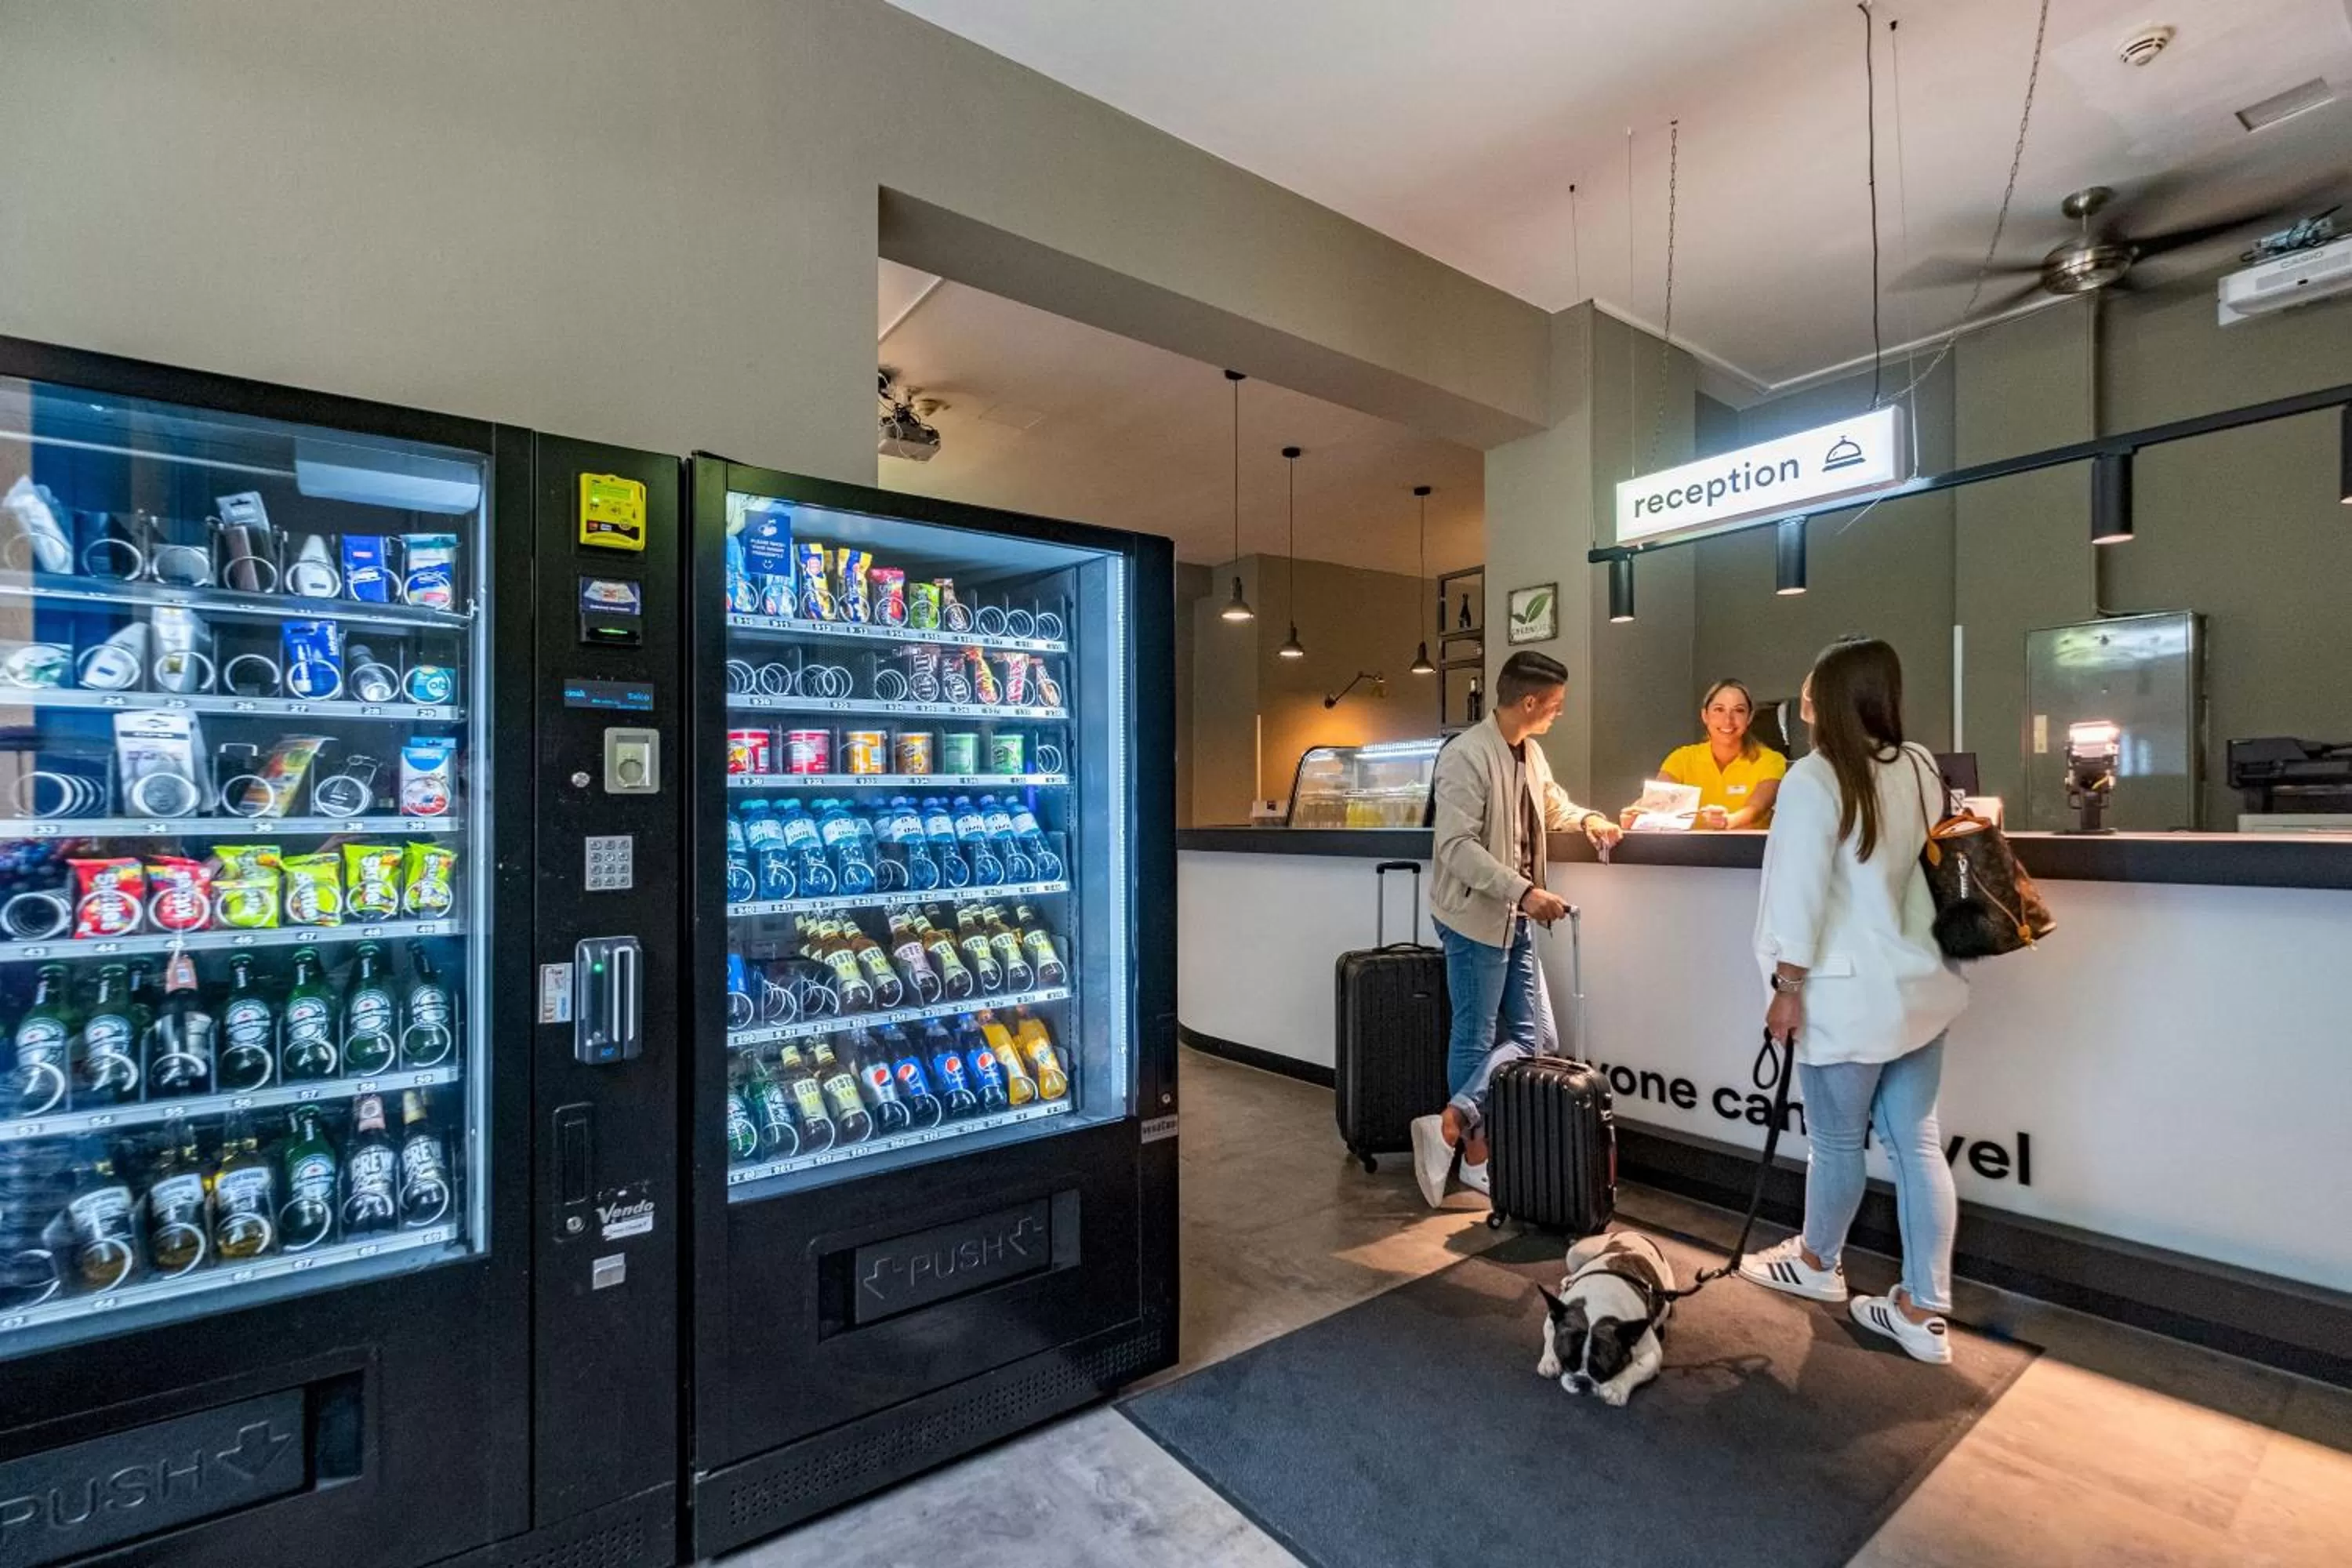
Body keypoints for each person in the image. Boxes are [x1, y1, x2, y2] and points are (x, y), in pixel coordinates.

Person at [1737, 637, 1969, 1364]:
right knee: (1917, 1144)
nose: (1801, 698)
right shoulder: (1922, 766)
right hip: (1920, 987)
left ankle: (1817, 1264)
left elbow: (1799, 897)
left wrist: (1786, 988)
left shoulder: (1814, 778)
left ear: (1828, 699)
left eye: (1810, 687)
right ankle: (1924, 1308)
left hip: (1842, 994)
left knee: (1836, 1142)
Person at [1410, 650, 1621, 1208]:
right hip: (1476, 918)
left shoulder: (1530, 751)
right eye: (1555, 704)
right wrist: (1523, 891)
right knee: (1475, 1034)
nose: (1558, 712)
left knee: (1540, 1039)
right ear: (1529, 701)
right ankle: (1477, 1159)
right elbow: (1455, 848)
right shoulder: (1466, 756)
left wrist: (1588, 819)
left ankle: (1450, 1123)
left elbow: (1550, 808)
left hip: (1514, 917)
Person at [1621, 677, 1786, 831]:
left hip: (1748, 857)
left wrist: (1728, 820)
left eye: (1739, 711)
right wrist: (1636, 815)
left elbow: (1757, 808)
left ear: (1749, 718)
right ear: (1705, 715)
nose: (1728, 720)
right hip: (1691, 857)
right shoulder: (1682, 758)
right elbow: (1655, 804)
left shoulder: (1771, 760)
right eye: (1719, 709)